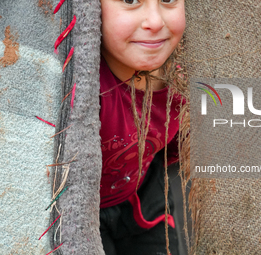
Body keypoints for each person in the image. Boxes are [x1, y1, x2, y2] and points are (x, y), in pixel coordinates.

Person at [98, 0, 186, 254]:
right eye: (129, 0)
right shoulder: (80, 89)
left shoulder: (184, 83)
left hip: (142, 197)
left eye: (168, 0)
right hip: (78, 211)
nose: (156, 22)